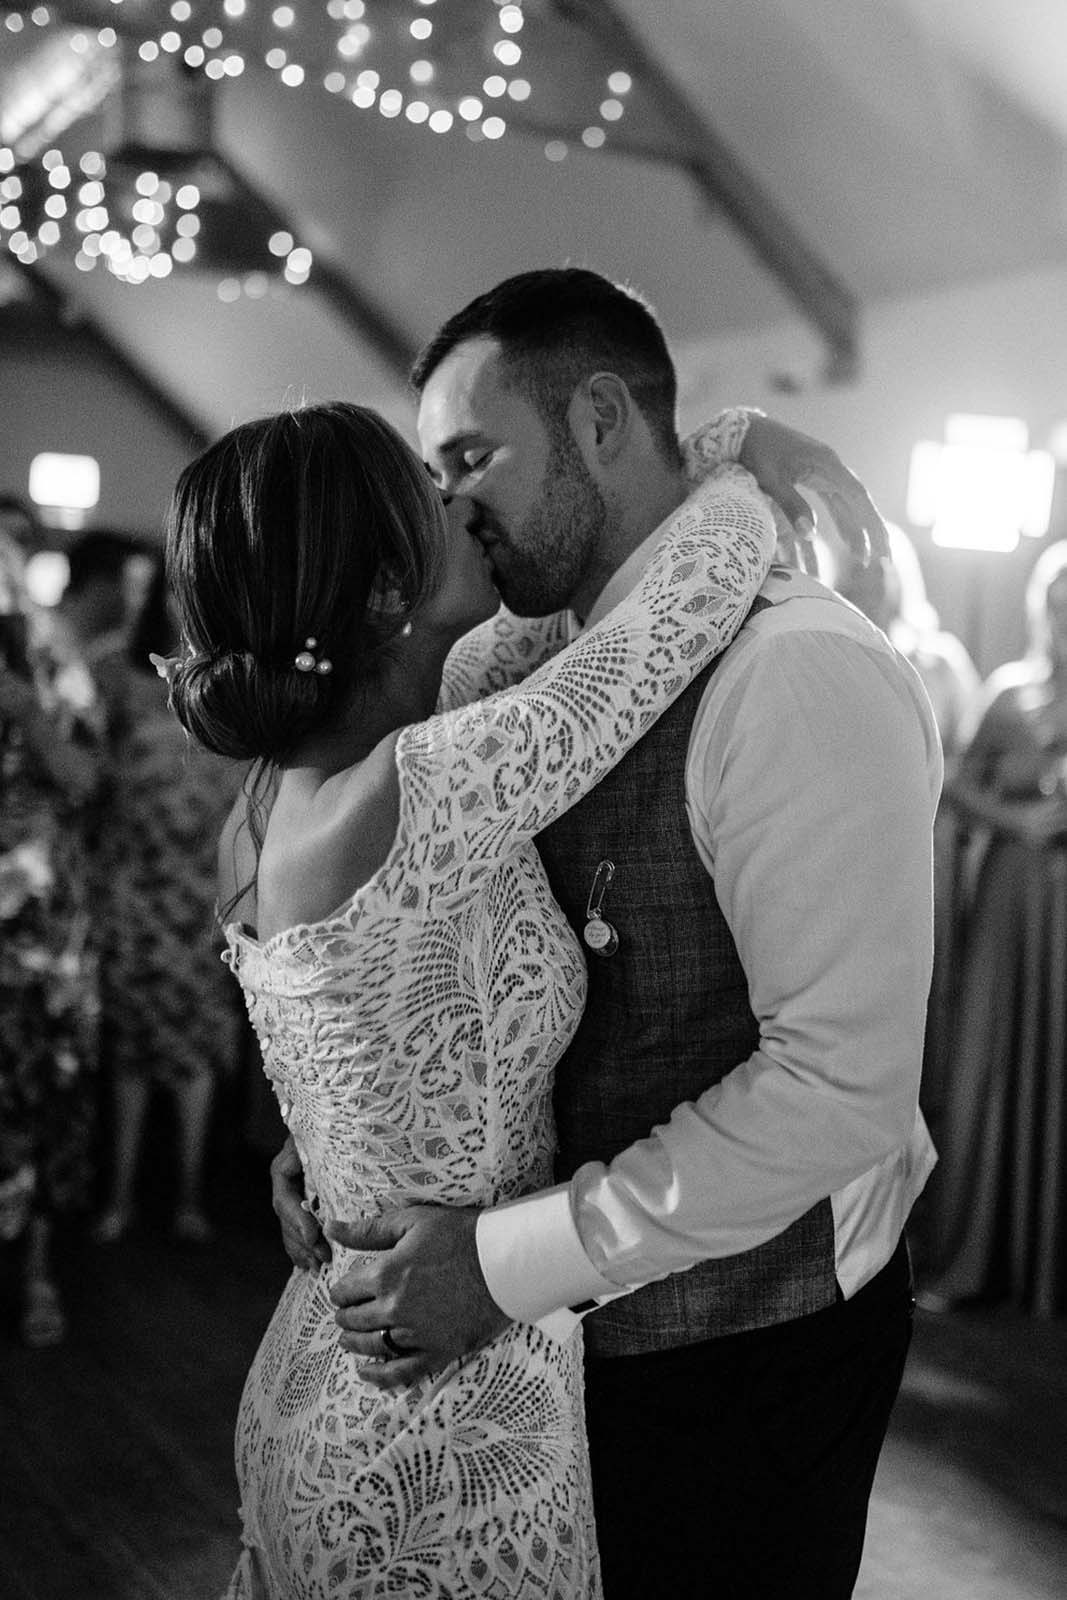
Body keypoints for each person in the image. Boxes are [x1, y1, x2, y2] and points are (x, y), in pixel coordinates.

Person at [277, 268, 943, 1600]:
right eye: (429, 469)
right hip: (552, 1358)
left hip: (744, 1351)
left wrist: (507, 1264)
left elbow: (837, 1088)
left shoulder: (790, 671)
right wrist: (347, 1150)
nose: (447, 504)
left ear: (595, 422)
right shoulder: (525, 668)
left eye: (469, 455)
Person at [164, 388, 785, 1596]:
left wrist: (323, 1155)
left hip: (335, 1353)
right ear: (387, 594)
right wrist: (740, 453)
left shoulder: (280, 794)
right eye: (429, 493)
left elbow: (528, 641)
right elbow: (666, 621)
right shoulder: (417, 784)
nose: (460, 502)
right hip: (438, 1425)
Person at [922, 540, 1067, 1317]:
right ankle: (983, 1254)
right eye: (1057, 602)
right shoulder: (1009, 693)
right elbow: (951, 782)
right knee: (997, 1062)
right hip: (1014, 902)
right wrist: (1015, 816)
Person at [91, 557, 245, 1246]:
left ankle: (187, 1194)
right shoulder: (115, 674)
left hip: (199, 888)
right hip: (133, 881)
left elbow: (250, 790)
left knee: (193, 1049)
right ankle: (117, 1196)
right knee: (130, 1046)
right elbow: (91, 776)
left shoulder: (236, 685)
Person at [828, 524, 980, 1175]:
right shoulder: (819, 645)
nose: (867, 578)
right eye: (855, 568)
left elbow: (967, 764)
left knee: (926, 997)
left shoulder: (939, 658)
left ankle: (923, 1162)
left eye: (877, 567)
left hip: (927, 850)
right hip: (843, 853)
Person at [0, 510, 103, 1347]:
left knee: (48, 1099)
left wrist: (20, 712)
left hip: (42, 932)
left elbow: (83, 779)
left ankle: (36, 1277)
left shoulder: (53, 661)